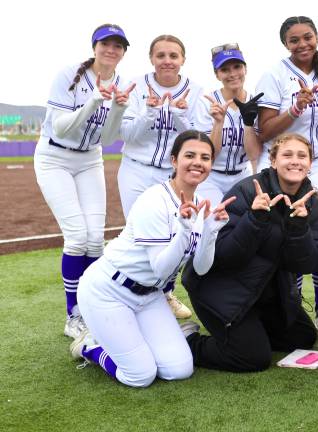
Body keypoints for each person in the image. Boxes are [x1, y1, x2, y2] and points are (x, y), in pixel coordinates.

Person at [70, 130, 232, 387]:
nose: (198, 162)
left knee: (179, 369)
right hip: (109, 290)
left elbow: (201, 269)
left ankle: (141, 337)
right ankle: (91, 346)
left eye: (205, 157)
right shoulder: (154, 200)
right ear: (174, 160)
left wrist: (211, 230)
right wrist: (184, 230)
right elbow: (161, 269)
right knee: (140, 376)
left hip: (150, 296)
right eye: (190, 155)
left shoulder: (201, 204)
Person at [181, 133, 318, 373]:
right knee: (253, 358)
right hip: (219, 287)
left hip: (261, 291)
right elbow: (223, 256)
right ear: (273, 161)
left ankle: (249, 330)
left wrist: (299, 227)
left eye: (302, 156)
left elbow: (308, 264)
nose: (295, 161)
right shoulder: (248, 190)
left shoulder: (312, 204)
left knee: (302, 337)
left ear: (310, 163)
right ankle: (188, 340)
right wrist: (255, 218)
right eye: (287, 155)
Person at [34, 24, 134, 340]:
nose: (111, 50)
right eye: (106, 44)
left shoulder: (122, 83)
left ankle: (93, 307)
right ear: (94, 47)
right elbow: (60, 129)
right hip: (54, 157)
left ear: (123, 52)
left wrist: (118, 108)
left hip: (90, 158)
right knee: (77, 237)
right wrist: (92, 101)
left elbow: (108, 137)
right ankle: (73, 315)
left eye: (118, 46)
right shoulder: (69, 75)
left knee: (95, 240)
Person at [256, 16, 318, 329]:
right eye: (294, 40)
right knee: (283, 234)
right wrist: (295, 109)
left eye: (308, 37)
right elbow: (265, 131)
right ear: (285, 44)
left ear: (316, 37)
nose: (302, 44)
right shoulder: (274, 74)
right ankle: (288, 307)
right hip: (284, 164)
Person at [120, 34, 211, 319]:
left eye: (173, 55)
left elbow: (200, 140)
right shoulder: (135, 86)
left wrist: (180, 116)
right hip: (136, 168)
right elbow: (127, 134)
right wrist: (150, 111)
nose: (167, 61)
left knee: (175, 233)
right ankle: (129, 294)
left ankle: (166, 293)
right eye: (161, 55)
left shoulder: (196, 91)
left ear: (183, 59)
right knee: (139, 234)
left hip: (172, 174)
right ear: (151, 58)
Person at [197, 43, 262, 205]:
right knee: (214, 217)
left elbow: (254, 155)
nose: (232, 74)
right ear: (217, 74)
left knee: (242, 218)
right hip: (210, 177)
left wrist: (248, 123)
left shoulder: (256, 103)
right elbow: (209, 155)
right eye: (225, 70)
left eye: (237, 67)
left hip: (242, 175)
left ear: (245, 69)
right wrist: (218, 123)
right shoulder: (206, 103)